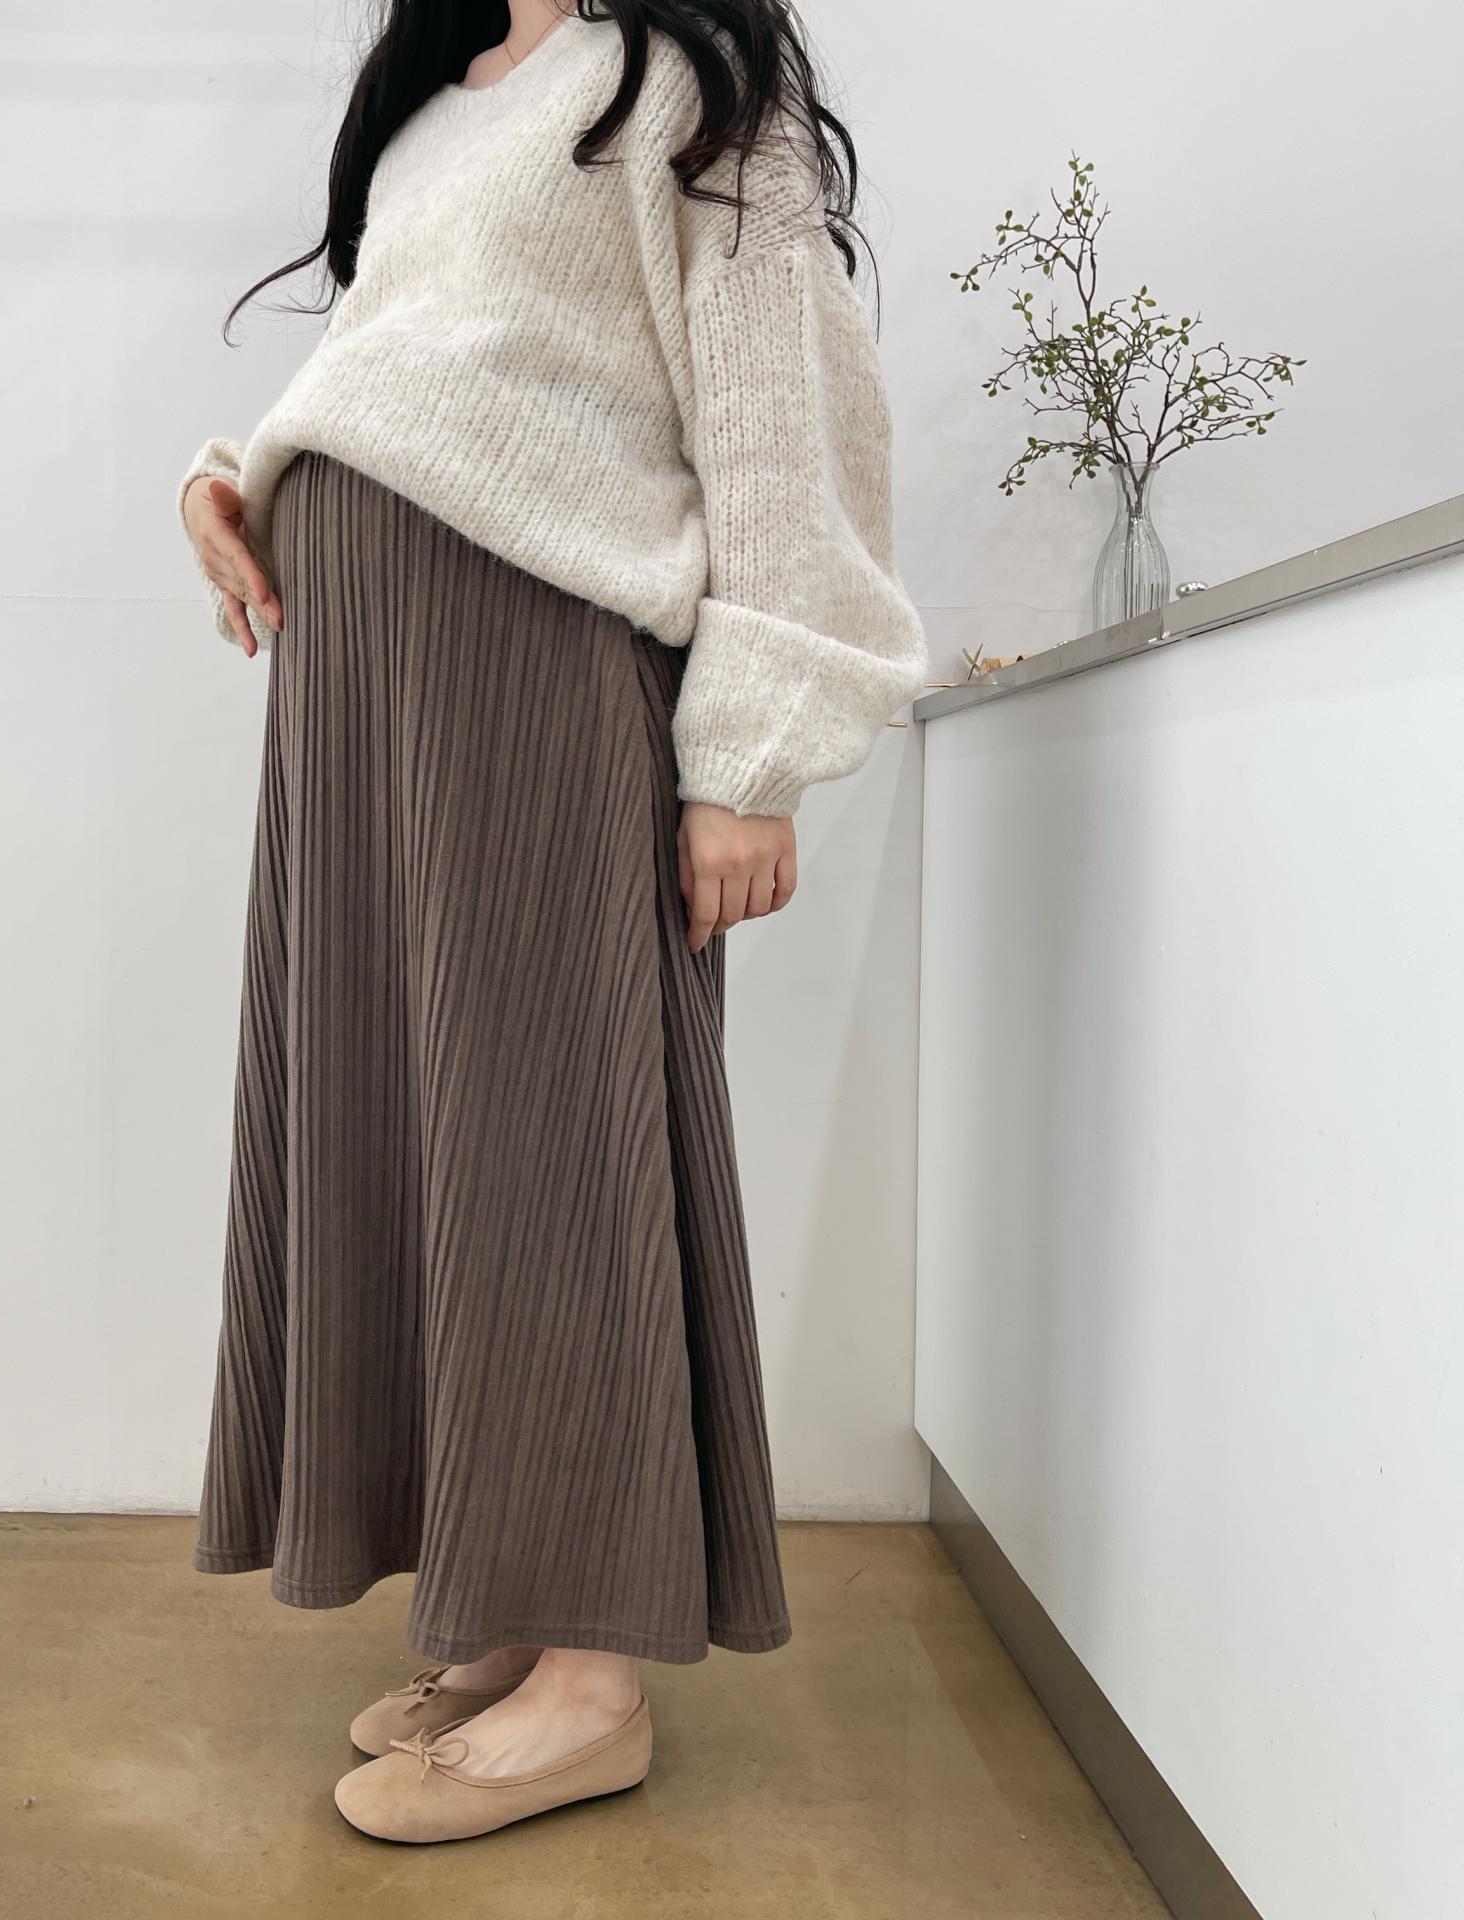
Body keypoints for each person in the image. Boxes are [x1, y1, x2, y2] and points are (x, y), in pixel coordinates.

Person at [177, 0, 925, 1845]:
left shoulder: (683, 84)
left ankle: (595, 1680)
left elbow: (778, 421)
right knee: (425, 1133)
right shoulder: (436, 112)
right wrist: (237, 476)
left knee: (554, 1140)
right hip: (364, 688)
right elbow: (419, 366)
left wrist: (750, 751)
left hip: (533, 666)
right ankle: (510, 1599)